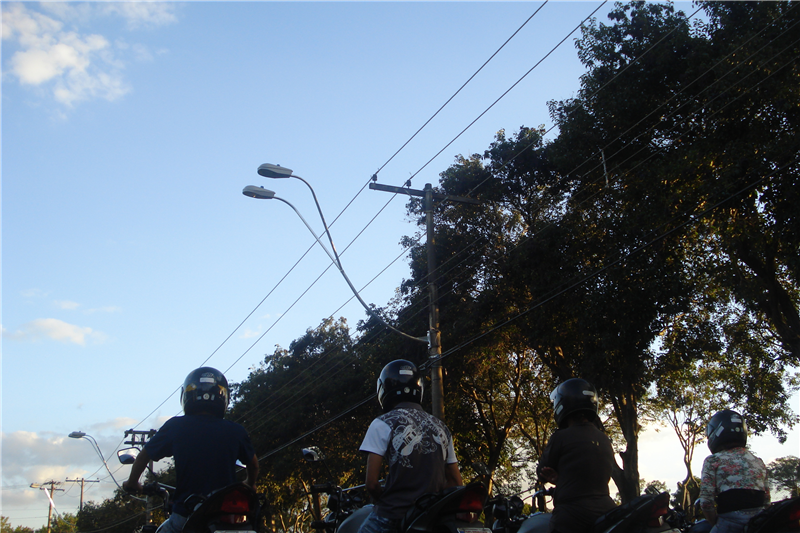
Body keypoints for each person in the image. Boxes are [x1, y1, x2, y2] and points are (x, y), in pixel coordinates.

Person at [123, 367, 259, 533]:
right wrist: (249, 484)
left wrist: (132, 483)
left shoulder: (175, 427)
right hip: (228, 516)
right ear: (223, 396)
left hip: (187, 514)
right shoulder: (236, 430)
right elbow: (253, 465)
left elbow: (143, 457)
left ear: (187, 395)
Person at [357, 359, 463, 533]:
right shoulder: (441, 427)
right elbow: (455, 481)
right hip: (431, 516)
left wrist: (385, 502)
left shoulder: (382, 423)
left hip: (394, 514)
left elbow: (371, 484)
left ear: (384, 389)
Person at [537, 378, 617, 533]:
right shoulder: (604, 439)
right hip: (607, 511)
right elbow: (587, 471)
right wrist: (562, 478)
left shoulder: (560, 437)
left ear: (562, 404)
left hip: (572, 515)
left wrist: (554, 477)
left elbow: (542, 473)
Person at [698, 409, 770, 533]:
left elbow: (706, 502)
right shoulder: (758, 461)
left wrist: (715, 523)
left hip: (730, 523)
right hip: (759, 523)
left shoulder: (713, 460)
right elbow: (767, 500)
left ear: (717, 432)